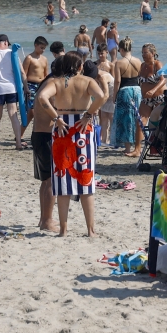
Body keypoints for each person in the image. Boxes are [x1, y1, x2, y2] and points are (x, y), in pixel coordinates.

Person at [35, 53, 107, 237]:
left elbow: (42, 97)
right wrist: (89, 114)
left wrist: (55, 118)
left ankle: (63, 230)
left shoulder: (56, 82)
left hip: (63, 127)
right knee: (86, 179)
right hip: (83, 127)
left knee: (62, 181)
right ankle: (90, 230)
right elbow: (101, 96)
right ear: (80, 66)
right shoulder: (87, 81)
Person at [0, 34, 24, 149]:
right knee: (13, 116)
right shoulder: (13, 54)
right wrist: (25, 87)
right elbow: (21, 72)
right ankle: (18, 143)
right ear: (6, 42)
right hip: (11, 88)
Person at [111, 36, 143, 157]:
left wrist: (114, 95)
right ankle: (137, 146)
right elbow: (140, 78)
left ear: (121, 49)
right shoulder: (138, 61)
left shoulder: (119, 63)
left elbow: (117, 81)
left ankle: (128, 147)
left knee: (125, 119)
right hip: (137, 90)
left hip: (125, 91)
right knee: (136, 117)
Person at [22, 36, 49, 128]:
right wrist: (26, 88)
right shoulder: (29, 58)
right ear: (35, 45)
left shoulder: (44, 59)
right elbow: (24, 74)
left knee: (41, 109)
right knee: (31, 111)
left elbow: (46, 75)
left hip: (41, 85)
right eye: (41, 48)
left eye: (44, 48)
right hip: (31, 85)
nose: (43, 50)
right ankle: (21, 132)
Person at [94, 43, 116, 146]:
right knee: (101, 116)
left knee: (110, 116)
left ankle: (110, 139)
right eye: (98, 53)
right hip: (98, 91)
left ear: (107, 53)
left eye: (102, 53)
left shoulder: (110, 65)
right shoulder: (95, 64)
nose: (100, 56)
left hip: (108, 92)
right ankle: (103, 139)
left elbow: (113, 80)